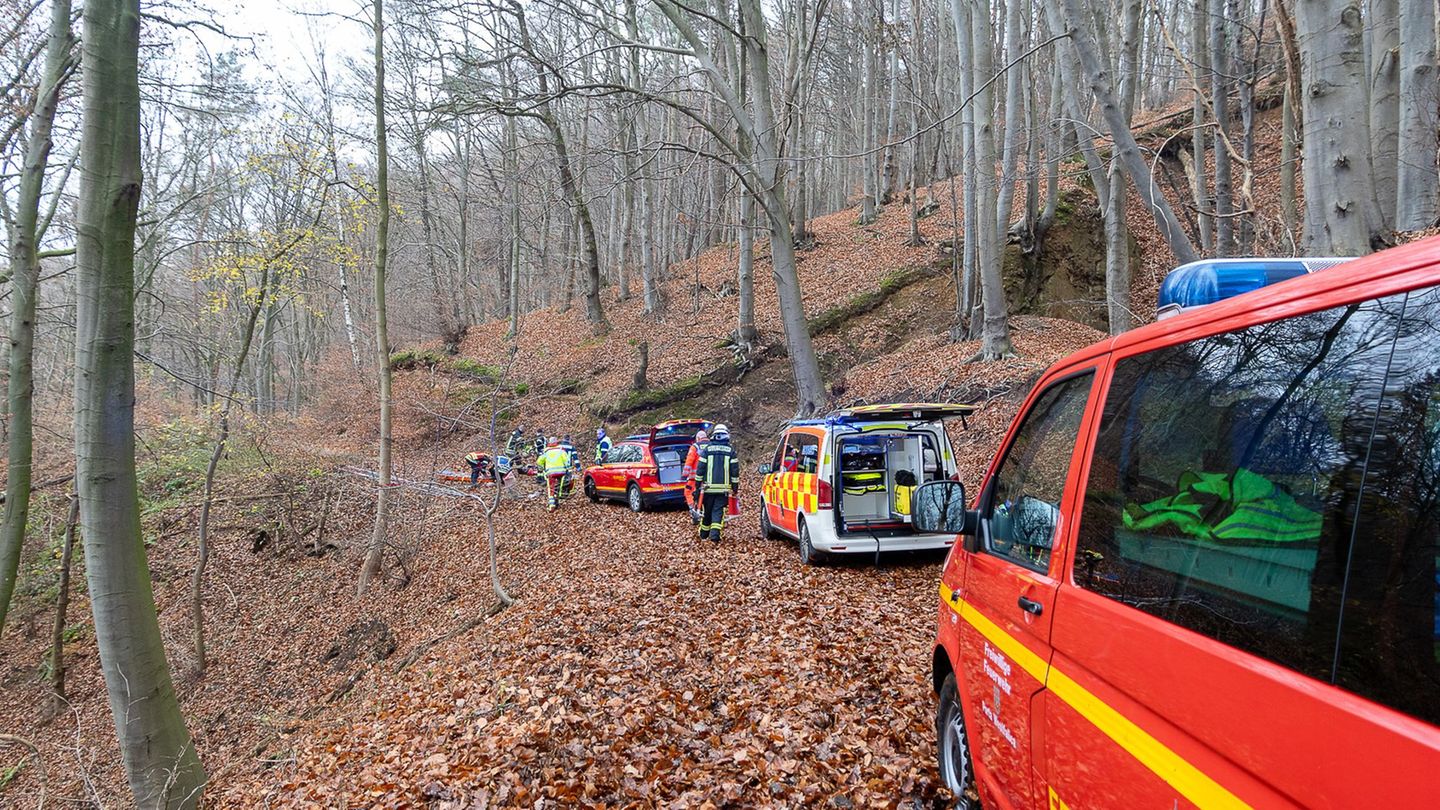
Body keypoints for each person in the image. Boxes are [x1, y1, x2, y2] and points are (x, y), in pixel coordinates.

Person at [693, 424, 739, 542]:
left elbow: (700, 469)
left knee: (707, 511)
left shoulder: (707, 450)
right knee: (717, 511)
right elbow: (734, 471)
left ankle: (703, 535)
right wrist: (735, 487)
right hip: (723, 490)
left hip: (707, 489)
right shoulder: (731, 451)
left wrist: (697, 485)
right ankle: (714, 536)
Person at [538, 436, 573, 511]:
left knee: (551, 488)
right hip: (561, 472)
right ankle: (558, 498)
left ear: (549, 443)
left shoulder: (546, 451)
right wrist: (569, 469)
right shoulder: (561, 450)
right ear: (556, 442)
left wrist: (541, 468)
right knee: (559, 486)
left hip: (550, 473)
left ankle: (552, 505)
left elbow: (539, 461)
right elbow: (567, 461)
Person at [682, 428, 709, 512]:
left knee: (688, 492)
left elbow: (689, 462)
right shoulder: (712, 446)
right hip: (710, 477)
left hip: (695, 478)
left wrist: (684, 475)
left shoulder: (695, 447)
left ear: (698, 438)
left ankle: (693, 510)